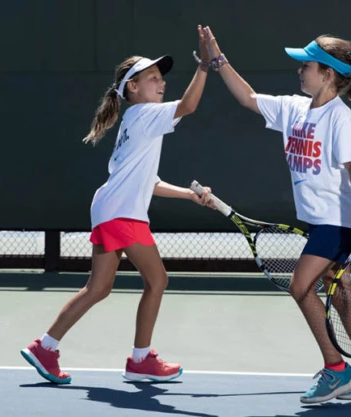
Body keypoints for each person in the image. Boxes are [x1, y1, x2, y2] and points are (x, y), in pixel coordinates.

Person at [201, 26, 351, 403]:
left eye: (306, 65)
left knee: (300, 286)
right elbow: (248, 97)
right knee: (339, 294)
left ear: (326, 74)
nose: (299, 71)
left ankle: (336, 368)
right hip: (319, 221)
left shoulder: (339, 117)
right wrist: (218, 59)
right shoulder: (293, 108)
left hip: (336, 222)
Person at [21, 25, 215, 384]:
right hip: (122, 213)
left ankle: (44, 347)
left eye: (161, 78)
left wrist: (188, 194)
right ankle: (141, 360)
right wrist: (204, 65)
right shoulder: (145, 114)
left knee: (98, 288)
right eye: (153, 78)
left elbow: (149, 183)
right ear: (133, 88)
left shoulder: (135, 121)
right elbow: (189, 105)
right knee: (157, 280)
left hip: (110, 207)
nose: (161, 83)